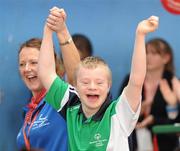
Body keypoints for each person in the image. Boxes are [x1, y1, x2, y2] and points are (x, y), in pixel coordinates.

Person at [38, 14, 159, 150]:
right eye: (85, 82)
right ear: (75, 85)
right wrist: (48, 30)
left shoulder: (119, 113)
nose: (92, 87)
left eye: (99, 82)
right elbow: (45, 73)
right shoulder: (70, 105)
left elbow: (136, 81)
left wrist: (140, 35)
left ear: (109, 86)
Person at [16, 7, 80, 151]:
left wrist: (62, 32)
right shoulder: (28, 111)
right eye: (22, 64)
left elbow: (77, 76)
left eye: (34, 62)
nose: (27, 69)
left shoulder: (61, 99)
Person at [119, 38, 180, 151]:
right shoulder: (131, 79)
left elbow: (176, 122)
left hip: (165, 144)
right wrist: (136, 110)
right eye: (146, 52)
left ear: (166, 58)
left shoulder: (173, 82)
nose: (148, 57)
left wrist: (157, 118)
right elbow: (118, 113)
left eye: (154, 53)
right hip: (132, 142)